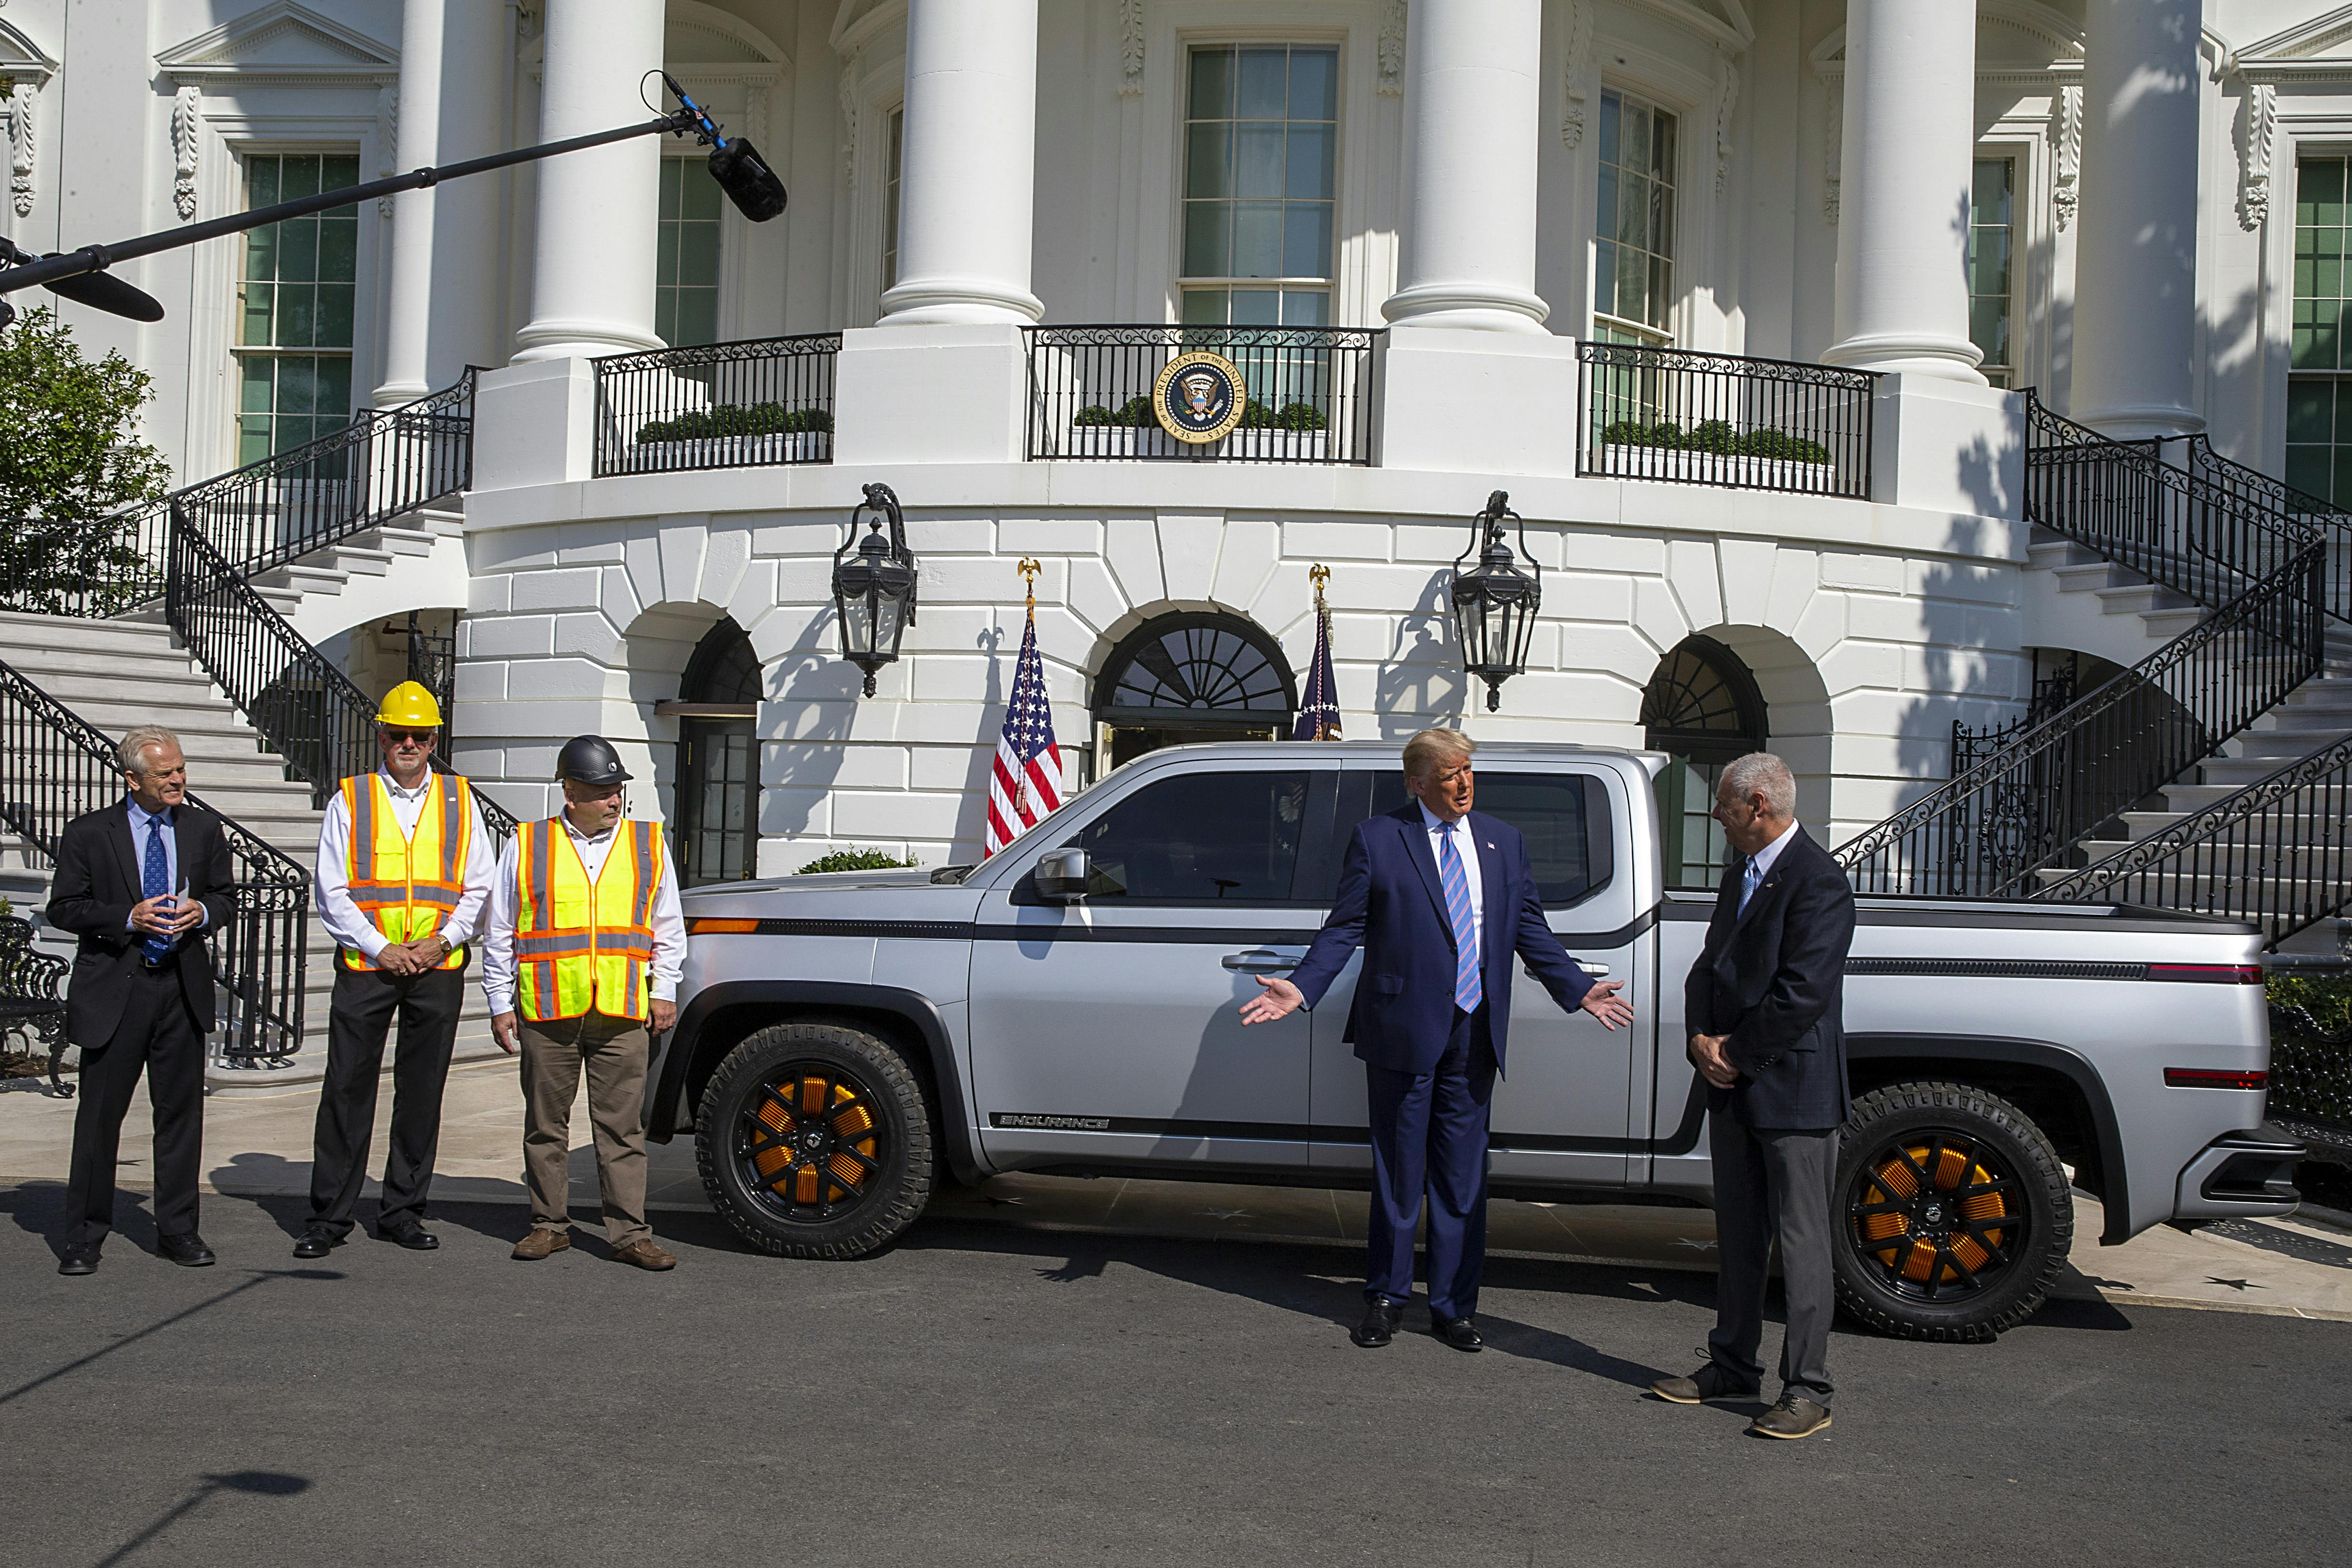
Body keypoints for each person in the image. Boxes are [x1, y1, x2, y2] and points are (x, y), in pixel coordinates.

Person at [1240, 728, 1634, 1350]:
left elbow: (1529, 926)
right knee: (1400, 1173)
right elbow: (1346, 927)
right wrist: (1302, 986)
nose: (1463, 783)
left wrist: (1575, 988)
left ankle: (1454, 1306)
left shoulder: (1503, 842)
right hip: (1402, 1027)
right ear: (1417, 782)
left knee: (1461, 1176)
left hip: (1475, 1030)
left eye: (1468, 771)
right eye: (1450, 774)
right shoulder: (1379, 839)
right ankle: (1387, 1298)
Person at [1650, 752, 1856, 1441]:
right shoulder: (1740, 872)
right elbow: (1708, 967)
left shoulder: (1819, 882)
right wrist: (1699, 1040)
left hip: (1791, 1088)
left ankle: (1808, 1388)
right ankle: (1733, 1364)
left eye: (1726, 806)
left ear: (1759, 805)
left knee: (1800, 1242)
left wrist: (1734, 1052)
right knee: (1738, 1235)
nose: (1717, 816)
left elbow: (1802, 993)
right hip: (1732, 1085)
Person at [294, 682, 496, 1259]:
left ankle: (403, 1210)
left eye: (420, 735)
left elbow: (480, 884)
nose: (408, 744)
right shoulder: (350, 799)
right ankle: (329, 1216)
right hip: (368, 966)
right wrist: (382, 946)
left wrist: (443, 940)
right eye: (397, 733)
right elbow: (331, 888)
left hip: (437, 965)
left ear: (435, 740)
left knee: (422, 1091)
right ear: (380, 735)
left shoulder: (461, 800)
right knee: (346, 1089)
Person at [480, 734, 685, 1270]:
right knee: (546, 1125)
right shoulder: (527, 844)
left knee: (621, 1128)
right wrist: (500, 1003)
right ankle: (549, 1226)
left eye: (618, 789)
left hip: (621, 1011)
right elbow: (501, 930)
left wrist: (664, 989)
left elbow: (668, 925)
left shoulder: (647, 842)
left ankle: (630, 1234)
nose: (615, 800)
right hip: (548, 1011)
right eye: (603, 790)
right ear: (570, 792)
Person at [47, 726, 235, 1275]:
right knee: (101, 1119)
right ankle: (84, 1236)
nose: (178, 779)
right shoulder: (89, 833)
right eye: (164, 773)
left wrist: (203, 912)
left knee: (180, 1118)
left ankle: (179, 1231)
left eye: (180, 769)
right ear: (132, 779)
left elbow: (226, 896)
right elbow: (66, 908)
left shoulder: (202, 828)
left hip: (180, 988)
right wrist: (126, 918)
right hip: (117, 990)